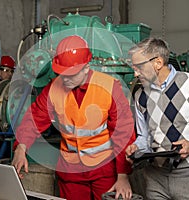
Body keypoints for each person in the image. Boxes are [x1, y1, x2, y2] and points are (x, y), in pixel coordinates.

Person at [12, 35, 136, 200]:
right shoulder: (53, 88)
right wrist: (21, 147)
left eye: (71, 74)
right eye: (61, 73)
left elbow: (123, 132)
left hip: (104, 171)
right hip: (70, 172)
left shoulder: (109, 87)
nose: (65, 79)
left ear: (86, 67)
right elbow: (34, 118)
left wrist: (123, 176)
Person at [125, 37, 189, 200]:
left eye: (139, 67)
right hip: (154, 179)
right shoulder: (140, 95)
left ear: (158, 63)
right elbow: (145, 136)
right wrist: (137, 147)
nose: (135, 73)